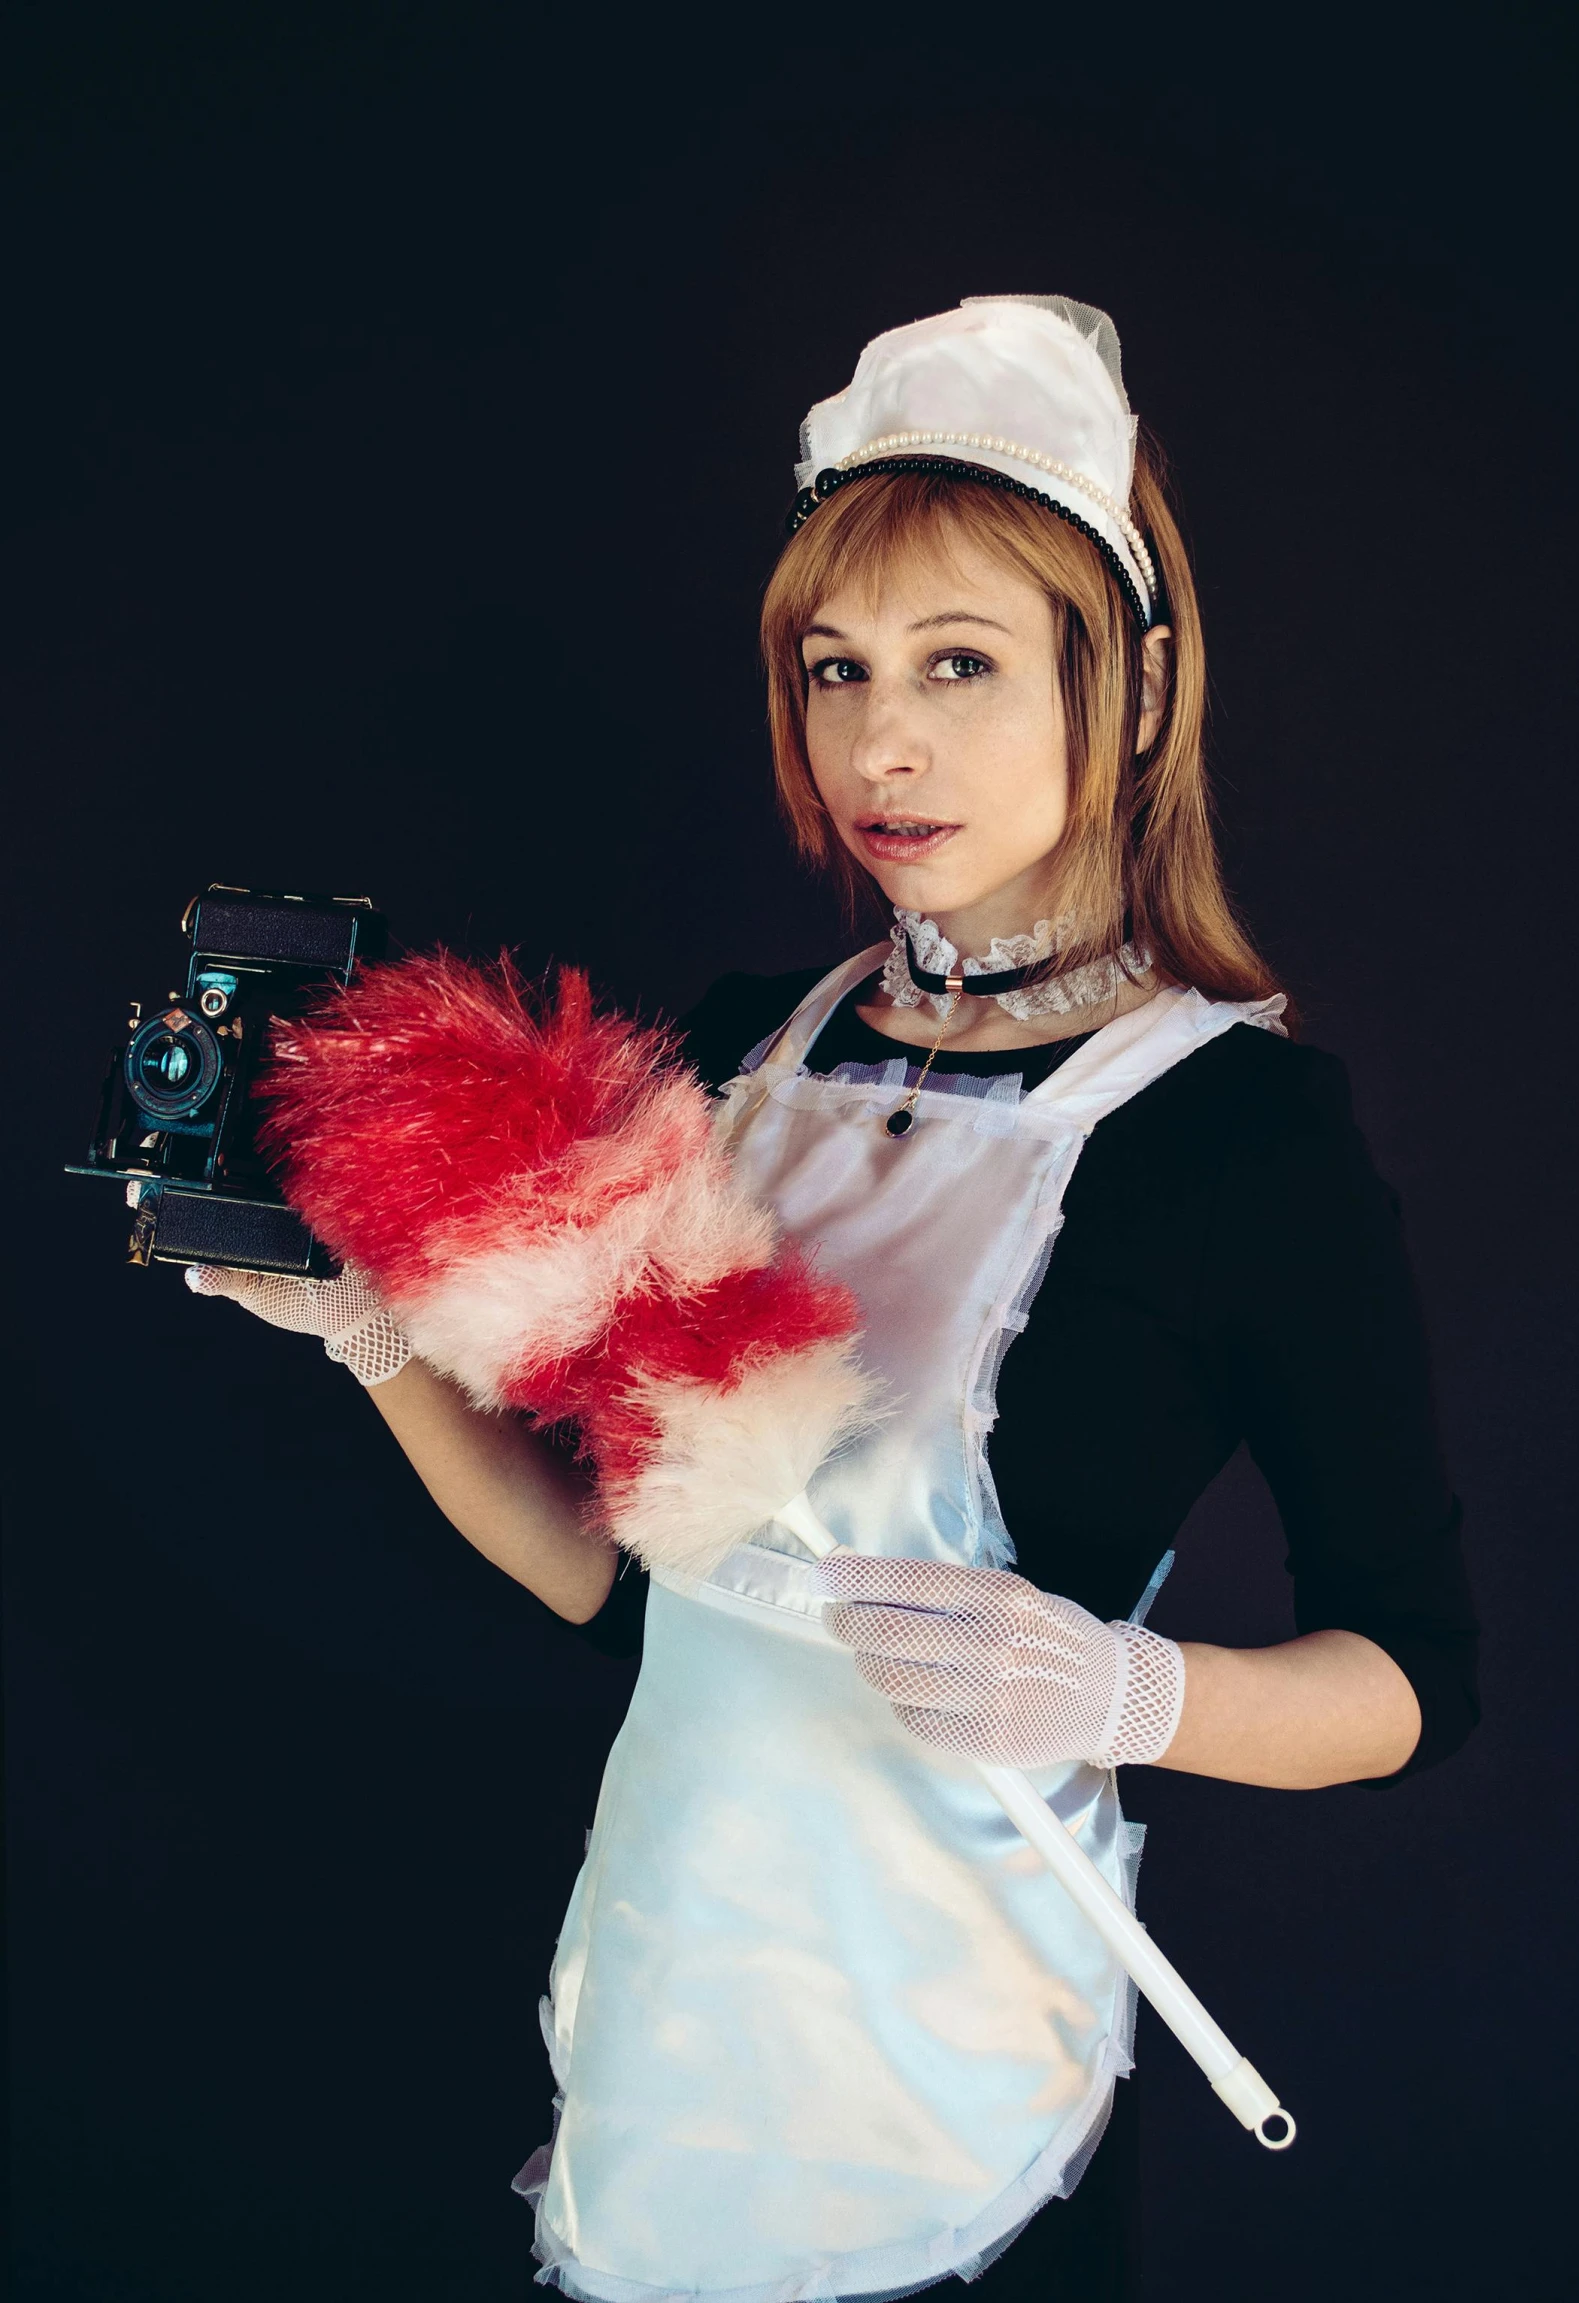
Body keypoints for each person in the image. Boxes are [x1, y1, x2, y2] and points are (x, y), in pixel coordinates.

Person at [192, 296, 1479, 2301]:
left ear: (1131, 684)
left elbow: (1415, 1672)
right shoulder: (729, 1058)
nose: (880, 743)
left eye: (960, 663)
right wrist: (378, 1334)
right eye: (834, 669)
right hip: (676, 2025)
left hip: (975, 2090)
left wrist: (1136, 1693)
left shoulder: (1243, 1137)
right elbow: (597, 1569)